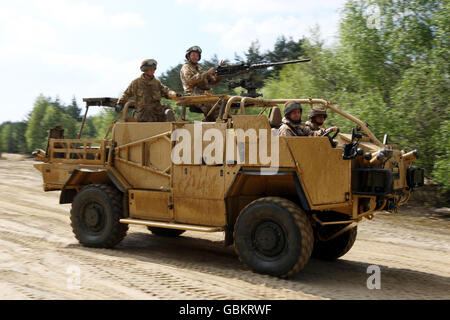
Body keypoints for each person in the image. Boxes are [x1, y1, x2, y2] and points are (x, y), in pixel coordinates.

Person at [180, 46, 223, 121]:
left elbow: (213, 81)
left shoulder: (199, 68)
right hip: (193, 95)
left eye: (197, 55)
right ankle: (211, 124)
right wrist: (207, 73)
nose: (195, 57)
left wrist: (220, 71)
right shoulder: (186, 67)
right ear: (188, 56)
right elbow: (191, 80)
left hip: (205, 95)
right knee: (211, 108)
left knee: (223, 104)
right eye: (193, 55)